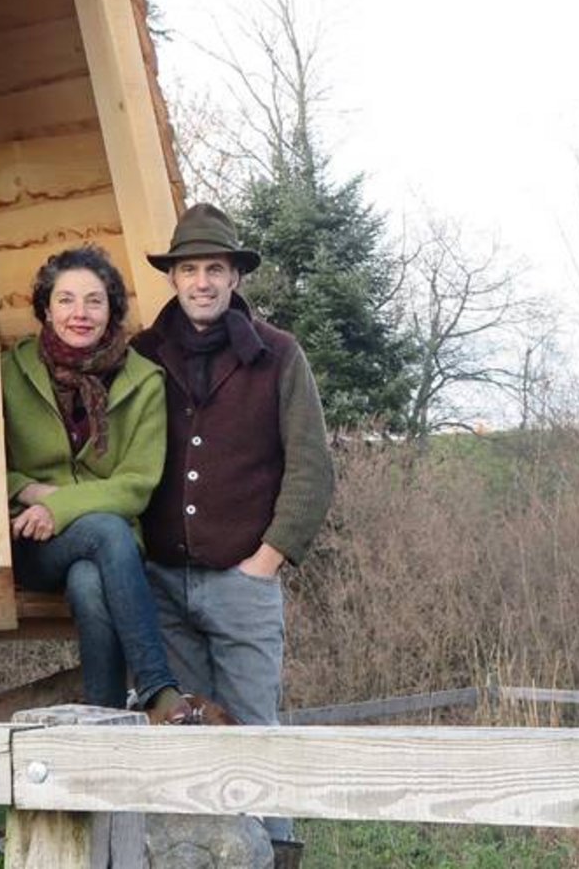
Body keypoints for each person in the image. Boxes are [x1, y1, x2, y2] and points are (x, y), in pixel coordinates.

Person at [133, 203, 335, 856]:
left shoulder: (278, 356)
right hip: (162, 587)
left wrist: (268, 559)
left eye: (214, 268)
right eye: (189, 269)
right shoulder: (141, 355)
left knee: (256, 738)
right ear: (173, 277)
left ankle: (275, 854)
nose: (202, 282)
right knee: (188, 740)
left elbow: (312, 467)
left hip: (245, 581)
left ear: (234, 276)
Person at [1, 245, 231, 725]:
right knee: (107, 529)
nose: (79, 314)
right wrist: (29, 493)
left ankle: (102, 721)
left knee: (90, 578)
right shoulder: (10, 373)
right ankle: (157, 686)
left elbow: (136, 483)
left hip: (110, 549)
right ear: (45, 308)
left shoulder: (144, 380)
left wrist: (59, 503)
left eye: (94, 301)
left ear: (112, 311)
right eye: (65, 300)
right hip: (31, 539)